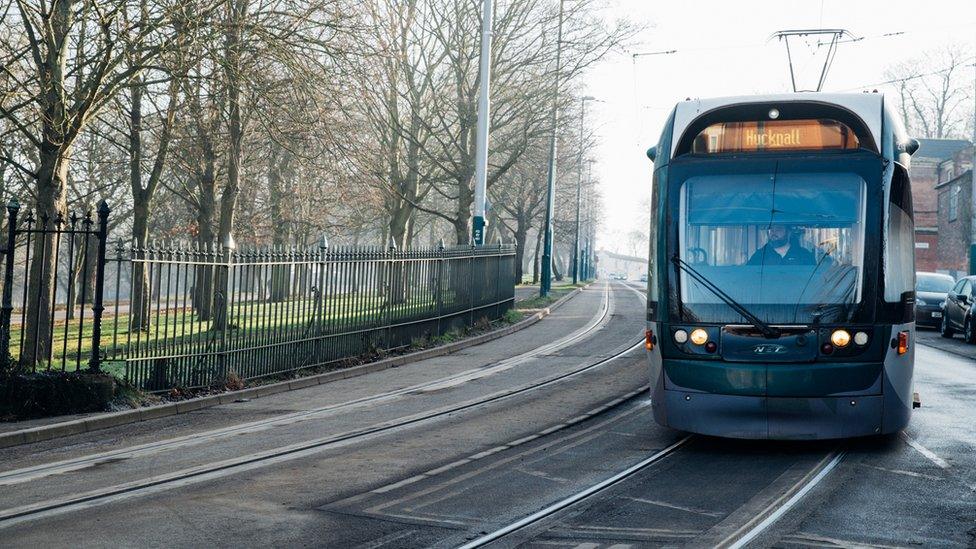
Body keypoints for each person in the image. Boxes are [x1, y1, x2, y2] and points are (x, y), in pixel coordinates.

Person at [747, 224, 815, 266]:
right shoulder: (760, 255)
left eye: (778, 229)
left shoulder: (804, 255)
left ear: (789, 233)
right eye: (771, 229)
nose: (773, 232)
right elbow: (748, 278)